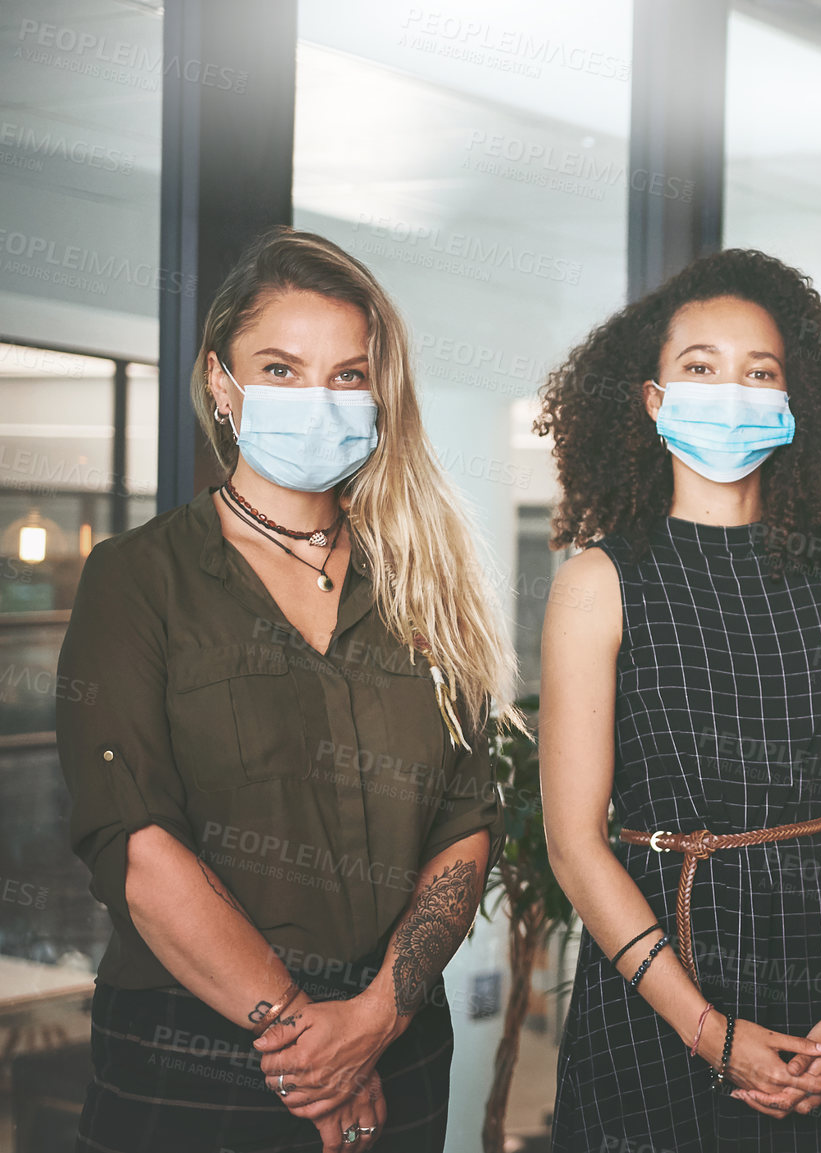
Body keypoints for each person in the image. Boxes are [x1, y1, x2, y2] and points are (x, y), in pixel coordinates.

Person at [57, 227, 515, 1152]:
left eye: (348, 375)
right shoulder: (137, 580)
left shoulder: (423, 582)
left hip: (400, 1053)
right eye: (280, 367)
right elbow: (139, 848)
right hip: (192, 1062)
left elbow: (467, 826)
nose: (319, 399)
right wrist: (310, 1046)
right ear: (223, 383)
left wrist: (376, 1019)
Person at [538, 247, 821, 1152]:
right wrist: (706, 1029)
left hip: (812, 971)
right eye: (699, 367)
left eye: (760, 372)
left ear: (792, 408)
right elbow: (574, 844)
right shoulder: (599, 580)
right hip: (651, 978)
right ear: (654, 400)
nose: (729, 389)